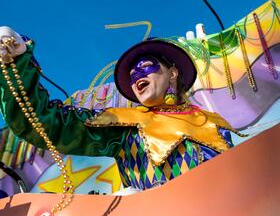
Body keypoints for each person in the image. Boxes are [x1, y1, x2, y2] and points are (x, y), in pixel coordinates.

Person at [0, 26, 240, 191]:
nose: (136, 76)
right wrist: (18, 61)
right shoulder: (124, 123)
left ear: (173, 73)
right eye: (132, 74)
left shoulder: (212, 121)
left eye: (145, 67)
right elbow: (43, 122)